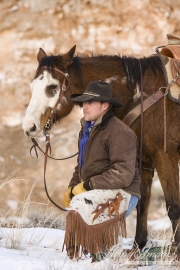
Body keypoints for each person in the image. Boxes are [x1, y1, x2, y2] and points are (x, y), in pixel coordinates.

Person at [62, 81, 141, 262]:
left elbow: (123, 173)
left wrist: (87, 185)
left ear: (105, 105)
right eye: (83, 102)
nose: (85, 106)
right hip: (98, 190)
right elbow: (80, 166)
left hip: (125, 192)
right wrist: (72, 187)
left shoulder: (120, 132)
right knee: (78, 203)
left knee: (80, 203)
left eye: (90, 102)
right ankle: (103, 250)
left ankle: (114, 254)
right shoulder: (86, 129)